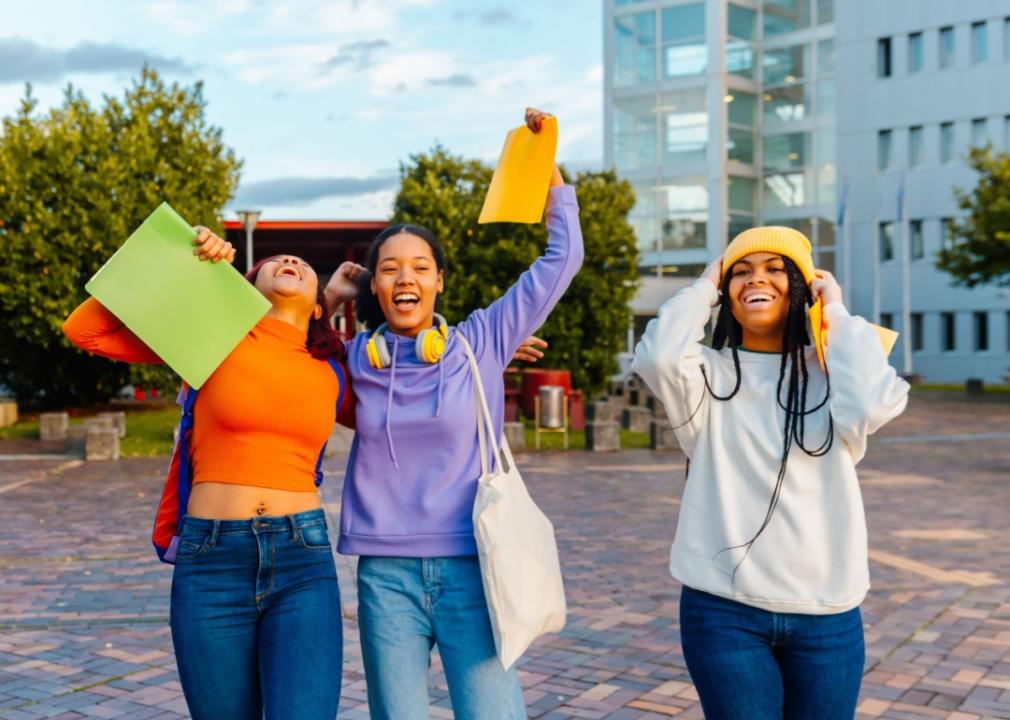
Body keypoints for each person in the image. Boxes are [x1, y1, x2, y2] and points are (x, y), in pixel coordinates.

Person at [322, 107, 583, 720]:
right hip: (385, 577)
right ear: (376, 289)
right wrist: (329, 298)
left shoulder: (482, 341)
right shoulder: (357, 358)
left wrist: (547, 170)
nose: (404, 277)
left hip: (475, 564)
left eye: (418, 267)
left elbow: (561, 258)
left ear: (439, 280)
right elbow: (288, 347)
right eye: (389, 269)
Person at [63, 233, 353, 720]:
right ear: (246, 286)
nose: (288, 260)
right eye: (273, 260)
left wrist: (484, 359)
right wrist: (179, 258)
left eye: (300, 262)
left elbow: (409, 403)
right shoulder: (208, 341)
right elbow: (85, 329)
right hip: (211, 561)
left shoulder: (334, 371)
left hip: (303, 563)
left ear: (320, 308)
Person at [632, 226, 909, 719]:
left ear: (803, 289)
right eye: (740, 272)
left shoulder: (831, 373)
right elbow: (659, 354)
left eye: (776, 268)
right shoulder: (706, 377)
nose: (755, 278)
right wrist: (704, 285)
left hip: (827, 614)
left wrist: (836, 312)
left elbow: (873, 400)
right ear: (725, 296)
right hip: (723, 611)